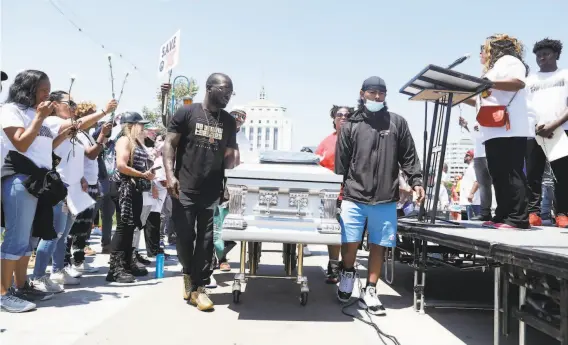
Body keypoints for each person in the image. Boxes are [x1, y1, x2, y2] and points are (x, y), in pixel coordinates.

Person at [335, 76, 424, 315]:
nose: (376, 97)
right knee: (349, 243)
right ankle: (347, 273)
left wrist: (416, 181)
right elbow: (341, 165)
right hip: (354, 196)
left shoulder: (397, 123)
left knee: (379, 245)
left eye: (381, 93)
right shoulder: (351, 125)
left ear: (385, 96)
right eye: (372, 92)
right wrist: (338, 193)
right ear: (362, 93)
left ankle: (371, 290)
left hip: (385, 198)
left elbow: (409, 156)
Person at [164, 73, 237, 311]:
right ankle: (187, 273)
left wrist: (232, 174)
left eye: (230, 92)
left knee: (206, 242)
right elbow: (169, 145)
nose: (227, 96)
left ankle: (200, 288)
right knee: (185, 239)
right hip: (183, 188)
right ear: (209, 88)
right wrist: (170, 175)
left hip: (211, 191)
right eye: (224, 90)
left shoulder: (228, 121)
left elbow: (230, 156)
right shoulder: (186, 113)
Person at [464, 34, 532, 229]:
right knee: (498, 174)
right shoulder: (493, 69)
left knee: (511, 173)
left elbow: (518, 82)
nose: (481, 54)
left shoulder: (509, 61)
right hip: (492, 130)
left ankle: (518, 218)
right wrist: (457, 97)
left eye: (483, 50)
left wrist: (489, 83)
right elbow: (481, 100)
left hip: (509, 128)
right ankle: (502, 214)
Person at [106, 112, 155, 283]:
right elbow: (121, 165)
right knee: (123, 226)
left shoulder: (136, 142)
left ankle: (126, 263)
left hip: (134, 187)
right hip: (123, 186)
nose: (143, 127)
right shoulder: (124, 140)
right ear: (131, 125)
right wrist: (142, 174)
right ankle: (115, 268)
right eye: (140, 124)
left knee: (131, 226)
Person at [525, 38, 568, 228]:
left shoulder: (565, 75)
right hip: (535, 133)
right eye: (538, 55)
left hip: (561, 130)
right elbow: (524, 108)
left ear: (557, 54)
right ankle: (533, 213)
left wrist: (553, 125)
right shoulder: (529, 81)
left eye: (546, 54)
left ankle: (562, 214)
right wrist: (536, 127)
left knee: (563, 175)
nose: (541, 58)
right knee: (532, 175)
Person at [315, 105, 354, 284]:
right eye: (340, 114)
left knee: (349, 235)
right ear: (334, 119)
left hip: (353, 194)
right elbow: (317, 166)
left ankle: (347, 268)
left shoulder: (358, 138)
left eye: (347, 115)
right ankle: (333, 267)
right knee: (333, 232)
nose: (343, 117)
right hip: (331, 195)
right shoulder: (326, 142)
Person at [459, 150, 481, 220]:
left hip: (474, 202)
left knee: (475, 225)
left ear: (471, 157)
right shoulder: (470, 167)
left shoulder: (473, 167)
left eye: (466, 155)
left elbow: (477, 181)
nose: (464, 157)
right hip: (470, 202)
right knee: (470, 224)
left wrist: (471, 194)